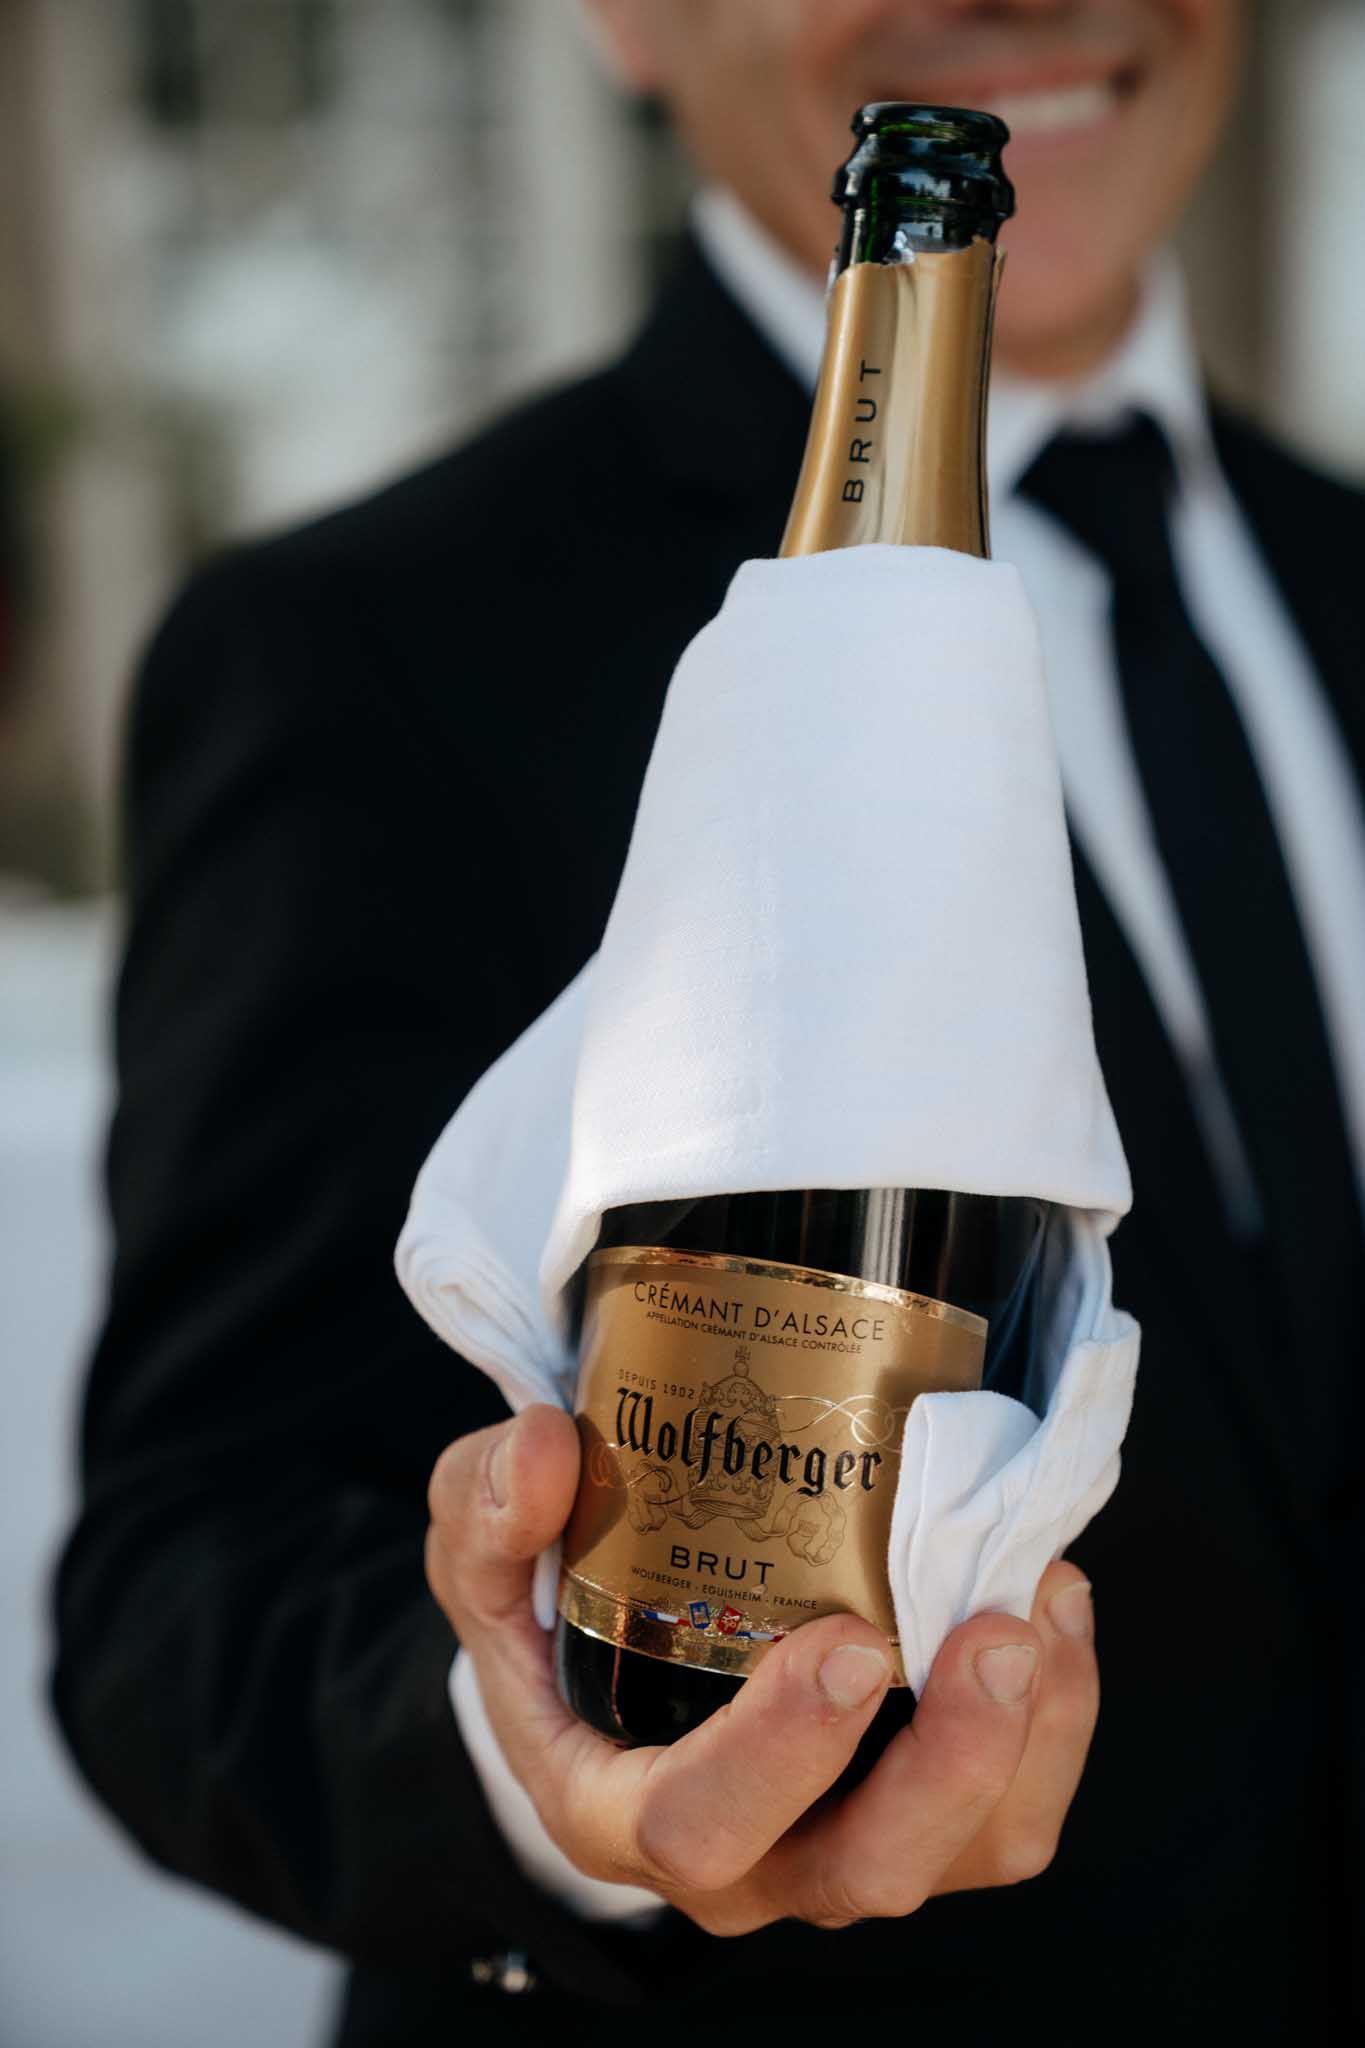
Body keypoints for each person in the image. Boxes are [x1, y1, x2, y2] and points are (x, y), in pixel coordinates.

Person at [52, 1, 1364, 2040]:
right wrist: (536, 1772)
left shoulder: (1343, 576)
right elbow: (176, 1601)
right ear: (623, 18)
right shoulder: (359, 651)